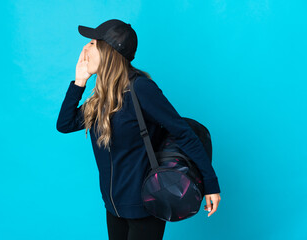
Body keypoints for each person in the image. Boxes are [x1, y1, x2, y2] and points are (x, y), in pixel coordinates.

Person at [56, 19, 221, 240]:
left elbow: (183, 133)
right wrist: (79, 83)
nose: (85, 49)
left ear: (109, 51)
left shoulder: (140, 89)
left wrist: (211, 184)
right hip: (113, 207)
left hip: (146, 204)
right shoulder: (103, 97)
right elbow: (65, 124)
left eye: (93, 43)